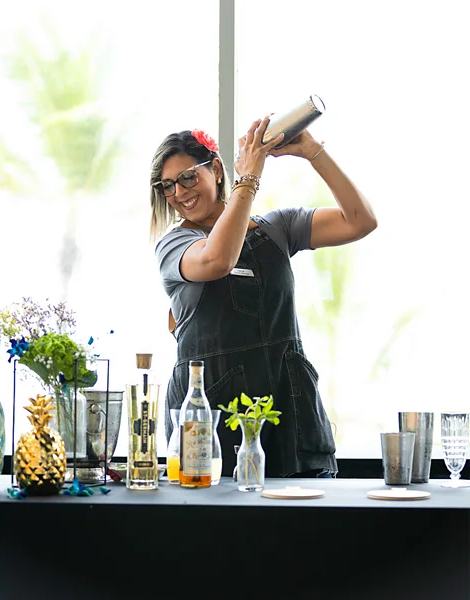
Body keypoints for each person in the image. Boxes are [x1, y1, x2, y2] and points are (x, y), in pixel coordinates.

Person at [150, 117, 377, 478]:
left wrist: (314, 153)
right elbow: (218, 259)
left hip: (289, 404)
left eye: (189, 177)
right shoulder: (175, 245)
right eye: (167, 186)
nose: (179, 193)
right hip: (211, 414)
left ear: (217, 170)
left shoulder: (279, 228)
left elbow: (360, 221)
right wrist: (249, 179)